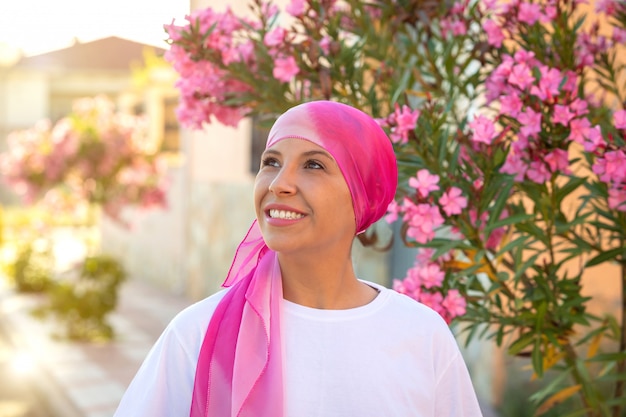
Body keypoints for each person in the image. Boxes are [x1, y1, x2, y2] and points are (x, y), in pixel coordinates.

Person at [113, 100, 484, 417]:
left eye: (313, 165)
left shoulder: (421, 335)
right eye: (271, 162)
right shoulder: (196, 334)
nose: (278, 183)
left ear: (363, 196)